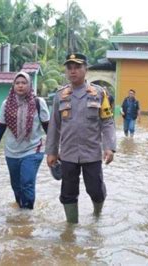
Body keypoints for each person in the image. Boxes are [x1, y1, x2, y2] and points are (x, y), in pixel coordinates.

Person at [45, 53, 116, 224]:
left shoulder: (99, 93)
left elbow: (107, 122)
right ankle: (71, 228)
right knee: (68, 193)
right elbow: (54, 125)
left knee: (96, 190)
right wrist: (51, 152)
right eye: (69, 68)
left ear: (86, 69)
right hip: (68, 154)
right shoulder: (60, 96)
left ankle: (97, 216)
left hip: (92, 153)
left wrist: (109, 147)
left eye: (77, 67)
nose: (73, 71)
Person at [0, 71, 50, 209]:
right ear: (13, 85)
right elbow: (0, 127)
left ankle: (27, 216)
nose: (20, 86)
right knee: (16, 186)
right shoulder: (6, 104)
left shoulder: (38, 103)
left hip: (33, 149)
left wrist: (54, 149)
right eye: (17, 83)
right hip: (12, 151)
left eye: (24, 83)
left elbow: (48, 126)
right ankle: (20, 210)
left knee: (27, 182)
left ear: (29, 85)